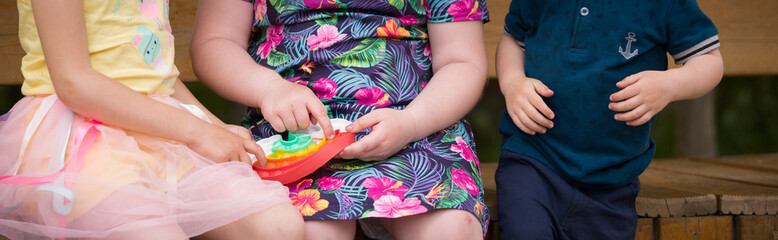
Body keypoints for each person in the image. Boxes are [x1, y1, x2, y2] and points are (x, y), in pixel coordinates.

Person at [0, 0, 305, 239]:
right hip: (79, 142)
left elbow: (156, 73)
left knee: (278, 226)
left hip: (160, 132)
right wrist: (199, 132)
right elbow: (74, 84)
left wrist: (216, 126)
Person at [190, 0, 491, 238]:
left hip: (417, 126)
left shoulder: (415, 122)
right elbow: (216, 40)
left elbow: (460, 60)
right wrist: (268, 89)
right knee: (307, 231)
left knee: (453, 228)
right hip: (293, 134)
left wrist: (412, 122)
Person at [495, 0, 724, 239]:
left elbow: (709, 60)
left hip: (612, 177)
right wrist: (512, 81)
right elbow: (513, 39)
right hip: (534, 158)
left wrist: (670, 85)